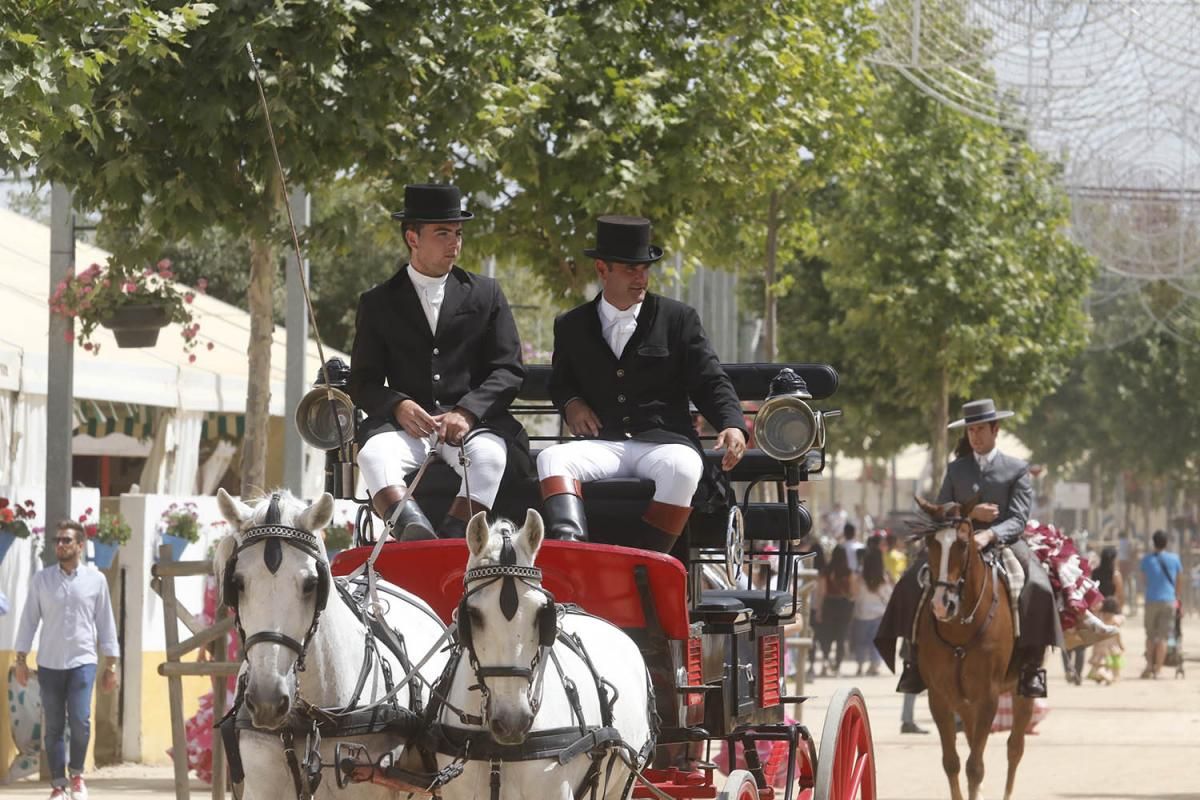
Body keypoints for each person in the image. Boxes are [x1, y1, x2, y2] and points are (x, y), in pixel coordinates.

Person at [537, 215, 747, 549]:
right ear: (602, 270)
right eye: (630, 269)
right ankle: (574, 551)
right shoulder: (570, 325)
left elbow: (709, 380)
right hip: (604, 442)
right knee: (551, 459)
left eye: (645, 269)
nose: (641, 278)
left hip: (665, 443)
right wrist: (572, 404)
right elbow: (561, 383)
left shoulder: (678, 319)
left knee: (684, 468)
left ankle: (648, 563)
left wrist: (732, 424)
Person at [349, 184, 527, 540]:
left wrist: (468, 411)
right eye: (443, 233)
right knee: (371, 458)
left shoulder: (486, 293)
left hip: (471, 427)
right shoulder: (378, 302)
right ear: (412, 238)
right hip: (406, 430)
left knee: (491, 458)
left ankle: (453, 537)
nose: (454, 243)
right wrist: (398, 405)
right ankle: (415, 534)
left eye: (458, 234)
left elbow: (508, 369)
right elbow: (362, 382)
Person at [877, 398, 1061, 699]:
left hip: (1004, 543)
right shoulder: (956, 469)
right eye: (970, 431)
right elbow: (940, 509)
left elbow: (1018, 518)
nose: (974, 436)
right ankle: (911, 657)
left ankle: (1031, 667)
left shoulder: (1016, 469)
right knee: (912, 580)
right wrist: (970, 516)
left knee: (1038, 586)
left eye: (980, 430)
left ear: (995, 429)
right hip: (956, 542)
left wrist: (989, 535)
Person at [14, 520, 120, 800]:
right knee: (54, 727)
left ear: (80, 546)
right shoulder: (42, 580)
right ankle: (58, 785)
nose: (60, 545)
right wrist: (21, 660)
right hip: (49, 663)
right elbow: (28, 622)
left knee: (81, 720)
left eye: (66, 541)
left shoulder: (96, 581)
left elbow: (106, 623)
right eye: (57, 541)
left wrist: (111, 664)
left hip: (83, 662)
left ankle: (77, 776)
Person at [1139, 529, 1182, 679]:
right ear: (1166, 543)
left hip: (1151, 600)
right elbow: (1178, 581)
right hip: (1169, 600)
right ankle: (1158, 670)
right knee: (1164, 637)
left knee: (1150, 636)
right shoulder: (1175, 559)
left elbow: (1144, 581)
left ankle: (1149, 666)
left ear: (1153, 542)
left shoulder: (1146, 560)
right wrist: (1176, 597)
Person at [815, 545, 854, 677]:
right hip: (843, 606)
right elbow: (852, 592)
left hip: (829, 605)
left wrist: (819, 610)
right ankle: (837, 666)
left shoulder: (827, 571)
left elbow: (822, 592)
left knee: (827, 635)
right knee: (841, 637)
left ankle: (825, 661)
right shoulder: (848, 571)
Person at [851, 548, 890, 677]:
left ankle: (860, 665)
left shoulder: (860, 577)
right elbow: (888, 595)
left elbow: (854, 595)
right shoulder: (883, 577)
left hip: (862, 614)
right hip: (879, 614)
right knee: (876, 642)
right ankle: (874, 665)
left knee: (861, 641)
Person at [1087, 597, 1125, 684]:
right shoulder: (1116, 619)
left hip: (1099, 646)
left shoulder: (1099, 618)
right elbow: (1117, 634)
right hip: (1112, 647)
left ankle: (1100, 674)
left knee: (1100, 664)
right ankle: (1111, 676)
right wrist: (1121, 645)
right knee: (1114, 665)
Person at [1092, 546, 1125, 611]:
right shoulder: (1115, 575)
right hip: (1111, 609)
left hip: (1097, 609)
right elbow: (1120, 595)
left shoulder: (1095, 572)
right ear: (1113, 559)